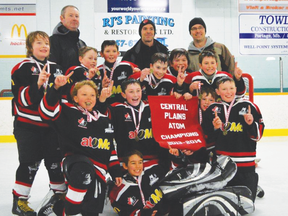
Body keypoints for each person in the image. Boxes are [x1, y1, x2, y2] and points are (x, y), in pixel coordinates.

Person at [39, 78, 122, 215]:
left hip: (98, 168)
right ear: (76, 98)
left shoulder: (104, 120)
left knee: (90, 211)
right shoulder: (68, 112)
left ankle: (58, 208)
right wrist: (55, 88)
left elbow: (110, 148)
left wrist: (115, 171)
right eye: (84, 95)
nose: (89, 98)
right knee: (84, 173)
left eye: (92, 95)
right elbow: (47, 112)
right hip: (76, 161)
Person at [11, 31, 66, 216]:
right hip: (28, 128)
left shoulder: (57, 68)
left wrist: (58, 88)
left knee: (55, 163)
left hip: (52, 128)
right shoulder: (22, 68)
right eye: (39, 43)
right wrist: (37, 84)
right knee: (29, 164)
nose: (44, 46)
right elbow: (20, 100)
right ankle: (20, 200)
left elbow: (63, 99)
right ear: (30, 47)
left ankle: (58, 199)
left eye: (47, 43)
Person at [201, 76, 265, 201]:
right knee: (225, 202)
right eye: (224, 89)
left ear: (236, 89)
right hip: (223, 167)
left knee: (246, 204)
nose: (228, 92)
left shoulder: (249, 107)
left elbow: (257, 136)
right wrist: (214, 128)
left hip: (246, 167)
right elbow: (208, 140)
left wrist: (251, 124)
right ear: (218, 92)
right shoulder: (212, 109)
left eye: (231, 88)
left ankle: (254, 185)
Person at [98, 79, 180, 174]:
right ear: (123, 94)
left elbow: (175, 114)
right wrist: (102, 99)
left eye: (138, 91)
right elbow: (101, 116)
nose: (135, 95)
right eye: (131, 92)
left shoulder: (152, 106)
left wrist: (180, 93)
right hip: (126, 161)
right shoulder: (117, 108)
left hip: (152, 160)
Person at [109, 150, 169, 216]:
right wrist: (144, 213)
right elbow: (123, 212)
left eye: (140, 162)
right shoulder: (119, 188)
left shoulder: (152, 172)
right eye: (133, 163)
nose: (137, 166)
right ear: (125, 166)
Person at [176, 50, 246, 98]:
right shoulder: (192, 77)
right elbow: (181, 95)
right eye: (206, 63)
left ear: (217, 64)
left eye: (212, 63)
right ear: (200, 65)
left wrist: (238, 79)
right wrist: (190, 89)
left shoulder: (225, 76)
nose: (210, 66)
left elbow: (240, 94)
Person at [97, 40, 137, 104]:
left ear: (118, 53)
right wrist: (102, 86)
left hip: (124, 104)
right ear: (101, 54)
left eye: (114, 51)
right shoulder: (98, 70)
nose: (111, 54)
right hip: (106, 104)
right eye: (107, 51)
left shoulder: (126, 66)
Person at [49, 5, 86, 72]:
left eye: (76, 16)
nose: (74, 18)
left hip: (81, 82)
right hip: (61, 81)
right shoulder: (52, 41)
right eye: (71, 15)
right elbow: (52, 66)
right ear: (62, 18)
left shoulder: (82, 44)